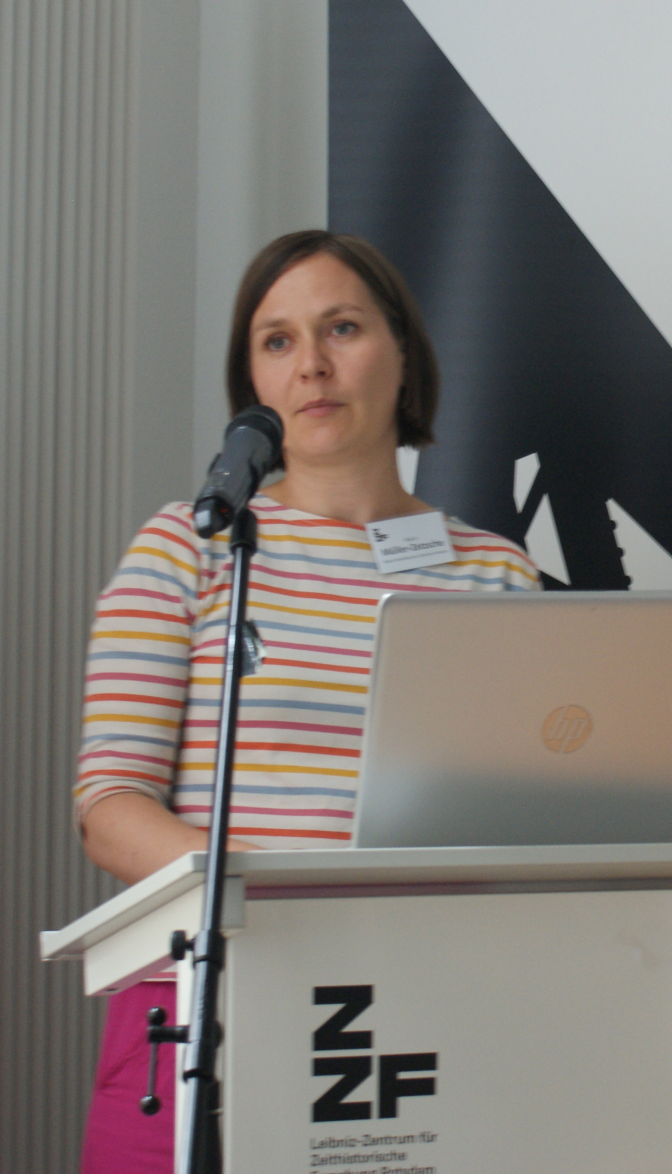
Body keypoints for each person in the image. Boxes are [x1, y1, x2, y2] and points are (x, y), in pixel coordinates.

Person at [75, 230, 540, 1172]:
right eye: (277, 340)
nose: (313, 365)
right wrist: (282, 892)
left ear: (403, 351)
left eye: (343, 328)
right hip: (205, 997)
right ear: (251, 380)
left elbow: (522, 815)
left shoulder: (493, 571)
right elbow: (110, 809)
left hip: (425, 999)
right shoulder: (189, 546)